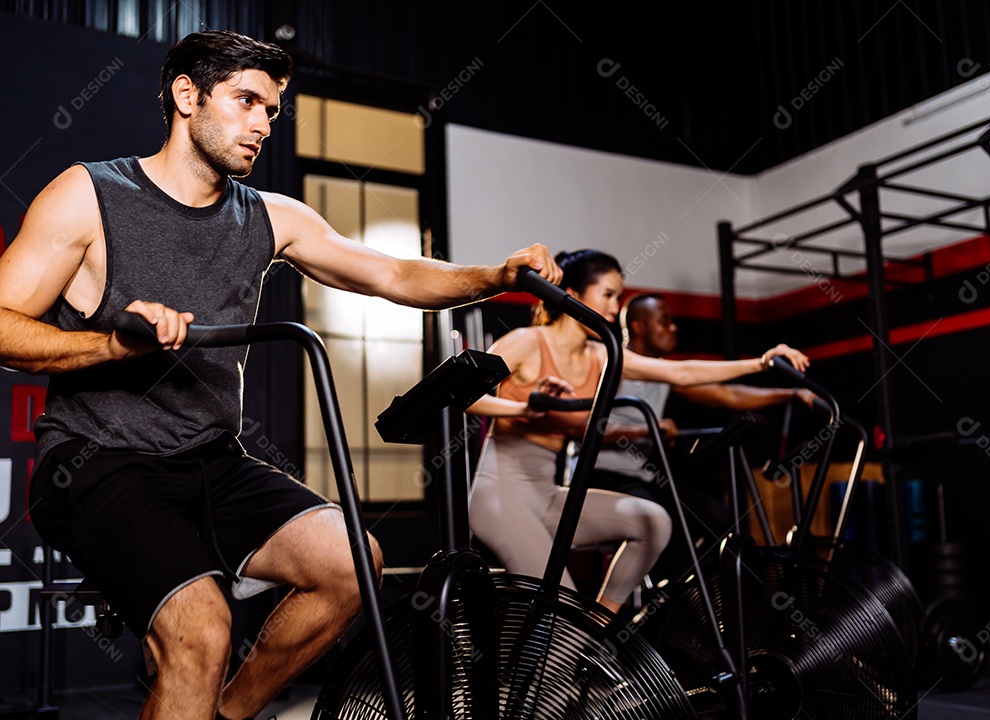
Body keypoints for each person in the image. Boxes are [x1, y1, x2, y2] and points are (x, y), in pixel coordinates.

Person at [0, 30, 561, 720]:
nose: (264, 123)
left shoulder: (271, 217)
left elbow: (390, 272)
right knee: (203, 631)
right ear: (186, 95)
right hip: (100, 459)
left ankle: (228, 714)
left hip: (212, 460)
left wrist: (494, 277)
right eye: (246, 101)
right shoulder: (90, 194)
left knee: (354, 561)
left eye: (272, 109)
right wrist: (110, 346)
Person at [466, 250, 808, 616]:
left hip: (546, 493)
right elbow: (464, 397)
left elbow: (683, 373)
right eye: (608, 295)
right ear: (575, 296)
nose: (615, 307)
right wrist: (524, 408)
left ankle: (601, 624)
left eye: (618, 296)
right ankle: (578, 642)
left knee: (655, 520)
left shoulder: (602, 354)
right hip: (500, 494)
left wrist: (762, 362)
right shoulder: (527, 342)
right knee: (560, 611)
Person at [591, 293, 818, 580]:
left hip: (642, 479)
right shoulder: (609, 364)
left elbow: (728, 394)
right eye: (665, 321)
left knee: (721, 518)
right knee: (670, 532)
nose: (673, 327)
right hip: (601, 478)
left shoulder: (662, 372)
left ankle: (717, 596)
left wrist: (793, 394)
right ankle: (680, 605)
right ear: (638, 326)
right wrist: (648, 429)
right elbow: (586, 427)